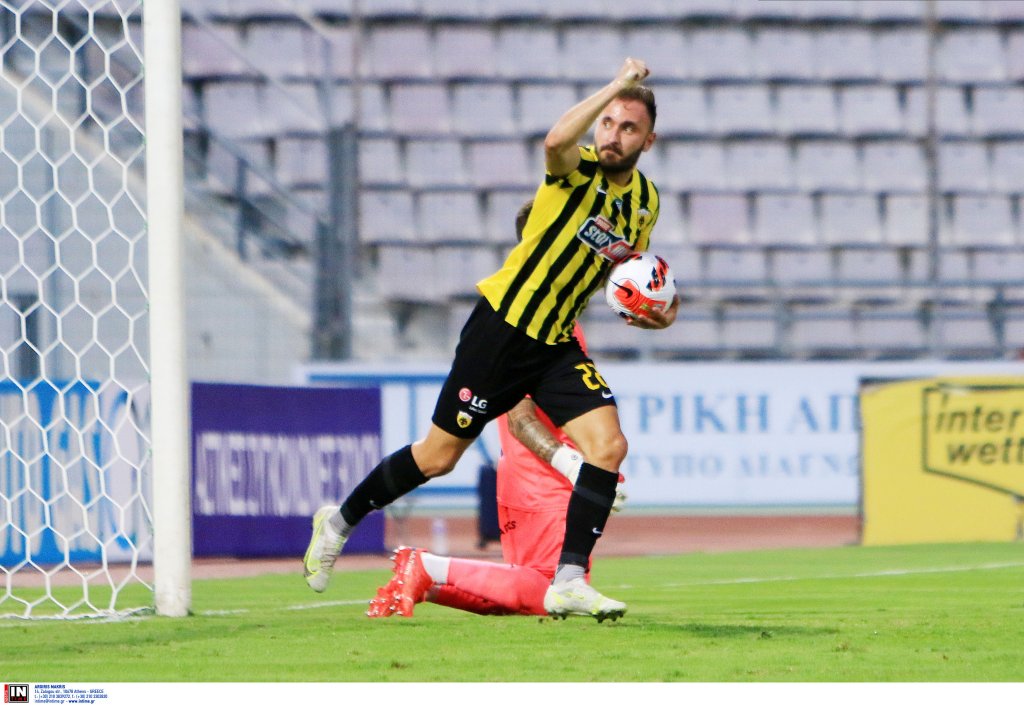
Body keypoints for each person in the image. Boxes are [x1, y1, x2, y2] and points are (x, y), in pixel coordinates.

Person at [303, 57, 677, 621]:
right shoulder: (575, 170)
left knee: (608, 446)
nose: (613, 135)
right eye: (608, 122)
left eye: (628, 128)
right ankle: (337, 522)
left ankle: (569, 580)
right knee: (437, 457)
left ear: (648, 141)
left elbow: (627, 271)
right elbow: (554, 141)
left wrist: (656, 312)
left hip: (554, 343)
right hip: (502, 329)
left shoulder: (645, 202)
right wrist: (617, 87)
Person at [363, 203, 626, 621]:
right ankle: (427, 566)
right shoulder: (533, 323)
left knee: (529, 594)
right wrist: (573, 465)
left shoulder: (549, 317)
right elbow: (521, 418)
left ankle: (424, 584)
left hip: (524, 482)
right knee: (547, 591)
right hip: (542, 485)